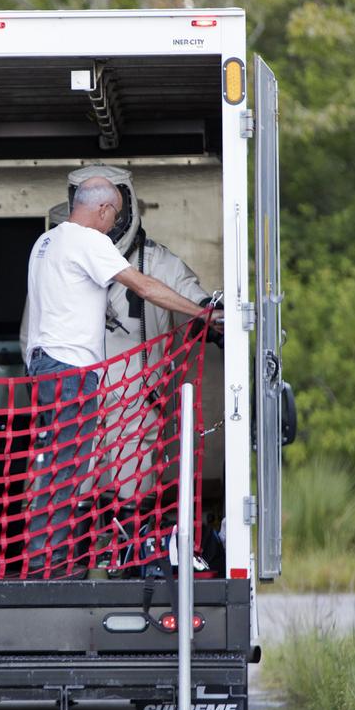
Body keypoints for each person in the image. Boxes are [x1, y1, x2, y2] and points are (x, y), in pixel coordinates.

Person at [23, 176, 216, 577]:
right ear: (105, 210)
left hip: (45, 369)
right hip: (74, 371)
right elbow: (145, 287)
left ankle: (49, 557)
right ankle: (53, 559)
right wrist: (202, 314)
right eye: (112, 216)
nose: (113, 226)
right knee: (70, 468)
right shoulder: (91, 241)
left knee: (58, 466)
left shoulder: (45, 243)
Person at [65, 164, 220, 515]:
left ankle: (124, 565)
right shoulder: (66, 258)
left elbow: (190, 295)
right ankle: (80, 566)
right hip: (82, 395)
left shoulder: (154, 260)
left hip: (137, 397)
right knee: (76, 491)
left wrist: (212, 317)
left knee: (132, 488)